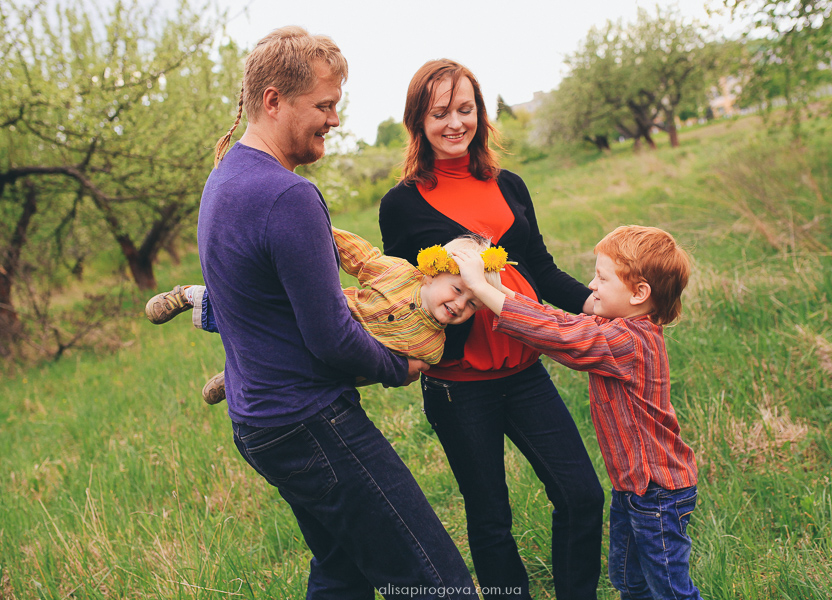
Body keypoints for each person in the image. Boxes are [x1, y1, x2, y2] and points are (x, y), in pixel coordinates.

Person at [195, 27, 479, 598]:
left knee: (342, 572)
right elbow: (330, 335)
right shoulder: (286, 196)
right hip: (309, 421)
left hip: (259, 424)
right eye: (324, 106)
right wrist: (397, 368)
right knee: (436, 581)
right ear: (273, 100)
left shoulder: (223, 178)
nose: (335, 120)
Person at [379, 59, 605, 600]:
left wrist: (601, 309)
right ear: (418, 121)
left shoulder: (510, 184)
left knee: (581, 495)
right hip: (460, 386)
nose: (455, 123)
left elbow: (543, 269)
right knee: (490, 519)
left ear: (480, 113)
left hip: (527, 372)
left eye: (465, 109)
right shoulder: (401, 205)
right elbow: (402, 297)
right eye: (440, 113)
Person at [453, 225, 702, 600]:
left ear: (639, 294)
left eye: (602, 278)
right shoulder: (617, 325)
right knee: (630, 581)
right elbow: (560, 323)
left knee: (669, 589)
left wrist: (484, 291)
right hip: (633, 487)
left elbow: (562, 338)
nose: (591, 284)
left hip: (657, 492)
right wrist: (498, 290)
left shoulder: (629, 341)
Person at [145, 229, 507, 403]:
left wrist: (387, 374)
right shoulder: (398, 273)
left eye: (473, 304)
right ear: (431, 272)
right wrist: (314, 228)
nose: (461, 305)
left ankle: (234, 376)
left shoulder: (432, 348)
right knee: (265, 311)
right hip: (320, 315)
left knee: (281, 358)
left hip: (332, 362)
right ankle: (193, 297)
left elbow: (378, 372)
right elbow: (362, 256)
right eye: (458, 290)